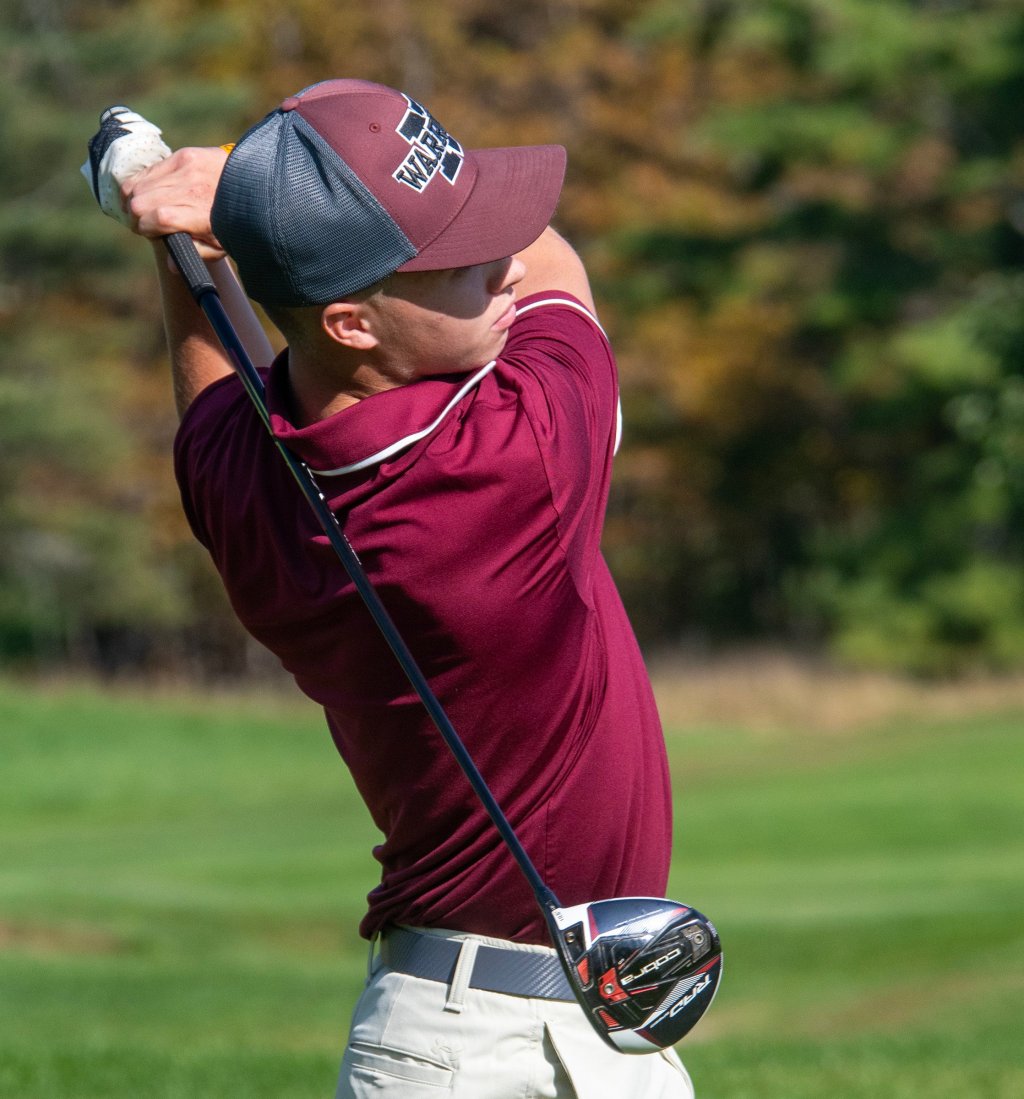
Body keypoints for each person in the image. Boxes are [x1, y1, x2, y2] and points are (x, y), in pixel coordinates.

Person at [92, 78, 696, 1098]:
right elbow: (555, 260)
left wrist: (197, 236)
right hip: (511, 1043)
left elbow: (221, 369)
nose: (504, 267)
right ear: (352, 324)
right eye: (462, 265)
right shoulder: (515, 454)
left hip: (439, 1033)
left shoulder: (237, 480)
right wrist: (217, 193)